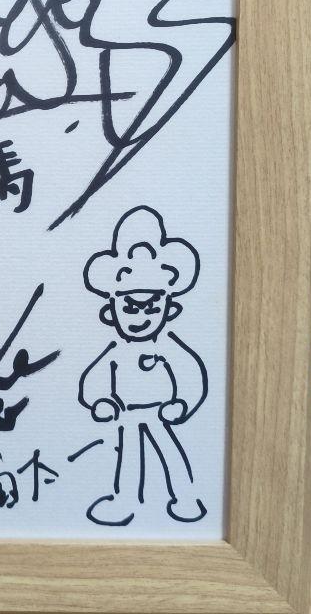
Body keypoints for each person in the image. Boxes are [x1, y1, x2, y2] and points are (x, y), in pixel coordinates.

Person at [79, 205, 208, 526]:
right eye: (130, 308)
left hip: (161, 413)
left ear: (169, 309)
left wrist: (182, 403)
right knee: (129, 457)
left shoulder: (170, 349)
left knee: (171, 453)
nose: (140, 317)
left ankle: (186, 497)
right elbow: (95, 379)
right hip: (127, 413)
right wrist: (102, 400)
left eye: (151, 308)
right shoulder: (115, 352)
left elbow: (191, 374)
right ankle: (124, 501)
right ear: (110, 311)